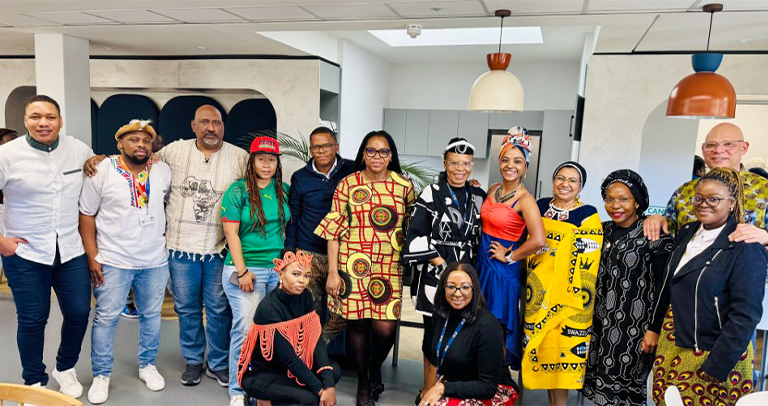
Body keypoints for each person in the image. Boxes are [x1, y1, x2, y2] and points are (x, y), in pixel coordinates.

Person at [85, 105, 249, 393]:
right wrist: (98, 159)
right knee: (185, 309)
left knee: (218, 309)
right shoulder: (174, 152)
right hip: (177, 248)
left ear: (223, 126)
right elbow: (133, 158)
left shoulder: (238, 157)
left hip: (216, 248)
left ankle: (218, 363)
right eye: (204, 122)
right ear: (193, 125)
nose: (211, 128)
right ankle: (193, 360)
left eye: (216, 123)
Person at [0, 95, 93, 398]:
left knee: (79, 313)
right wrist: (1, 241)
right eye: (35, 117)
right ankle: (34, 382)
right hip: (25, 252)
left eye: (50, 117)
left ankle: (65, 368)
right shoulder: (8, 155)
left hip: (70, 248)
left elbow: (100, 172)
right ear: (25, 121)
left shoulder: (77, 148)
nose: (43, 123)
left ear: (60, 120)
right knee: (33, 318)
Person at [315, 130, 416, 406]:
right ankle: (363, 384)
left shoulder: (404, 186)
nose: (377, 157)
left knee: (386, 331)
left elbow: (413, 227)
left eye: (383, 151)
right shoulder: (347, 184)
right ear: (363, 153)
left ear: (391, 155)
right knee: (357, 326)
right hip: (351, 266)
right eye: (371, 151)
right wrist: (333, 272)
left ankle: (372, 367)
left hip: (388, 267)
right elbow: (333, 231)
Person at [651, 167, 766, 406]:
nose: (704, 204)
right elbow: (668, 286)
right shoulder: (686, 233)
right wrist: (654, 328)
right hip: (673, 344)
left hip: (714, 352)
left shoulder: (745, 245)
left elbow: (746, 314)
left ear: (732, 203)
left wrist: (718, 363)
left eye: (714, 199)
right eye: (699, 198)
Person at [78, 120, 172, 404]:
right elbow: (86, 215)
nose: (140, 145)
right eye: (133, 140)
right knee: (106, 317)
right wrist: (92, 257)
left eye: (145, 140)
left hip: (155, 259)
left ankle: (147, 366)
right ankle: (101, 375)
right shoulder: (101, 170)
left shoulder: (162, 170)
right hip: (113, 259)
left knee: (151, 315)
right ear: (120, 143)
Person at [581, 169, 673, 406]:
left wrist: (654, 328)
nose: (615, 205)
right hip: (600, 326)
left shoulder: (653, 233)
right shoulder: (601, 229)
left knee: (627, 394)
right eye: (609, 199)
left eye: (623, 199)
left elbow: (665, 286)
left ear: (637, 201)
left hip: (633, 330)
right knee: (600, 391)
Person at [404, 137, 487, 399]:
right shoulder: (431, 193)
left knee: (462, 332)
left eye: (465, 164)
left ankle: (452, 389)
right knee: (434, 333)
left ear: (472, 166)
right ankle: (428, 390)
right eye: (454, 163)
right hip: (435, 272)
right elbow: (416, 234)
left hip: (467, 273)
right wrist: (442, 265)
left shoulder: (478, 195)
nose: (459, 169)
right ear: (445, 163)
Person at [523, 161, 602, 406]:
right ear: (553, 180)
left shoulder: (588, 214)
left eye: (572, 181)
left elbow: (590, 255)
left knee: (562, 359)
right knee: (544, 355)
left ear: (580, 187)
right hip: (537, 295)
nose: (565, 184)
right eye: (560, 178)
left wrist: (552, 249)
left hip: (570, 299)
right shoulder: (539, 206)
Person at [221, 135, 290, 406]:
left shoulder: (282, 189)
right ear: (251, 161)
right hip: (245, 270)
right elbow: (231, 233)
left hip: (277, 271)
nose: (266, 164)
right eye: (261, 158)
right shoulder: (238, 191)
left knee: (274, 330)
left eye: (271, 159)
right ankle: (238, 389)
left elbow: (283, 230)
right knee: (246, 329)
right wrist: (242, 271)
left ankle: (265, 383)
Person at [475, 127, 546, 368]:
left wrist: (510, 256)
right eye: (505, 159)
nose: (510, 165)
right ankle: (479, 379)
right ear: (499, 161)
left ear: (525, 166)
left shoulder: (526, 199)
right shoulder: (493, 188)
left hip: (502, 272)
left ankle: (496, 384)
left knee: (497, 327)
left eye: (517, 161)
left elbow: (539, 240)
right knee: (478, 323)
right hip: (482, 265)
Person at [237, 250, 340, 406]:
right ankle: (257, 400)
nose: (302, 281)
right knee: (311, 399)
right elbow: (289, 359)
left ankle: (272, 400)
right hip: (261, 374)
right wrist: (321, 390)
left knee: (334, 372)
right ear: (280, 275)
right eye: (296, 274)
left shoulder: (305, 296)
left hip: (285, 368)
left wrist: (329, 386)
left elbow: (315, 340)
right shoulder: (269, 309)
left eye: (306, 276)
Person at [644, 123, 768, 246]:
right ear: (703, 150)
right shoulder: (685, 190)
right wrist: (658, 220)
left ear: (744, 148)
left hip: (745, 264)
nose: (718, 150)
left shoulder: (764, 189)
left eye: (728, 144)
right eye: (711, 145)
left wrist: (765, 237)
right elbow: (670, 227)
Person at [285, 126, 354, 342]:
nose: (321, 150)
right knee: (308, 312)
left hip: (343, 255)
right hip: (308, 253)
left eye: (326, 145)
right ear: (311, 150)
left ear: (336, 147)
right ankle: (307, 358)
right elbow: (294, 217)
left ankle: (318, 350)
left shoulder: (352, 171)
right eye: (316, 146)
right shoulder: (300, 177)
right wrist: (291, 253)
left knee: (342, 314)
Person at [418, 263, 518, 406]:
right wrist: (428, 393)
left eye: (465, 287)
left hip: (494, 389)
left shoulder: (488, 326)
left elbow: (488, 387)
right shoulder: (440, 316)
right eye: (451, 286)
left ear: (474, 289)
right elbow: (435, 359)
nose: (457, 293)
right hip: (457, 380)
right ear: (443, 288)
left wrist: (443, 387)